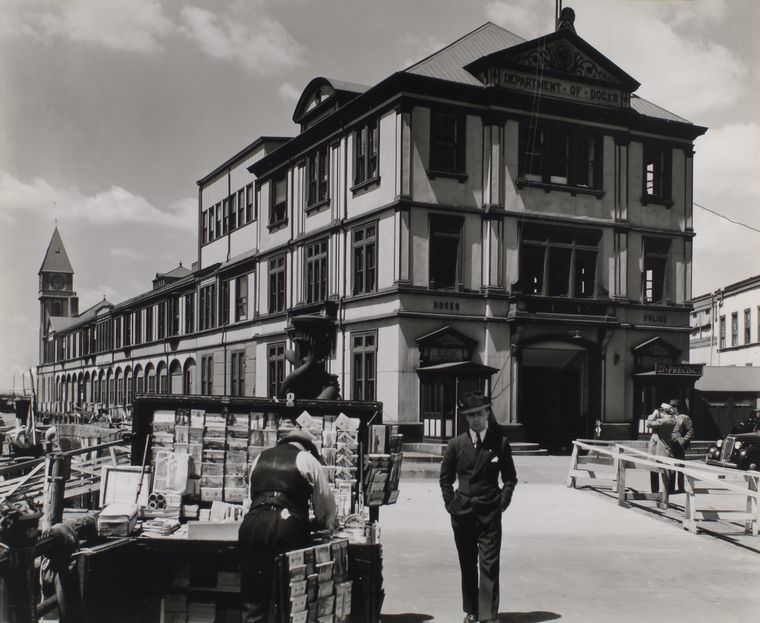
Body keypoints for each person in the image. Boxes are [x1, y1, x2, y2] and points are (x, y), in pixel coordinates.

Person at [239, 431, 337, 623]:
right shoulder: (307, 460)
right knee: (288, 596)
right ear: (307, 447)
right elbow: (326, 509)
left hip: (252, 524)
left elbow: (251, 497)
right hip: (286, 527)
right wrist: (320, 524)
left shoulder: (260, 457)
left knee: (253, 597)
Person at [439, 391, 518, 623]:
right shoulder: (455, 445)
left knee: (489, 565)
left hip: (489, 514)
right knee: (467, 564)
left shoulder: (500, 443)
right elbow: (445, 479)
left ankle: (488, 617)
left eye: (479, 414)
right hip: (462, 513)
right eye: (470, 415)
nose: (475, 419)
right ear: (465, 417)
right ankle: (472, 611)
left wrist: (501, 502)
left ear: (487, 413)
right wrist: (450, 504)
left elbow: (510, 478)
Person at [646, 403, 677, 494]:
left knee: (656, 470)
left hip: (658, 448)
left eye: (661, 410)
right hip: (664, 447)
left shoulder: (664, 421)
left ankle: (656, 492)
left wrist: (653, 414)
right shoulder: (671, 419)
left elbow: (648, 424)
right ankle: (666, 491)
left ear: (663, 411)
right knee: (664, 471)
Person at [669, 399, 694, 493]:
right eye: (671, 406)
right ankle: (670, 488)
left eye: (673, 406)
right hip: (669, 444)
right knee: (670, 466)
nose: (671, 408)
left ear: (677, 407)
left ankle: (680, 487)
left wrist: (683, 441)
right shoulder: (669, 417)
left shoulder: (684, 417)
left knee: (679, 466)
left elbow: (690, 431)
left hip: (679, 444)